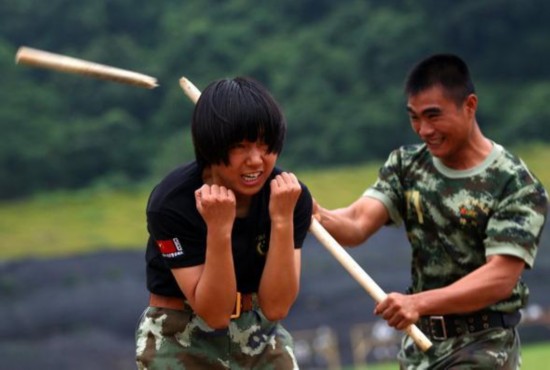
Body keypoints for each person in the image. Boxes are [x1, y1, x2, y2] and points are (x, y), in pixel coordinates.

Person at [314, 54, 548, 369]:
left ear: (470, 105)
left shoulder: (515, 184)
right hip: (420, 345)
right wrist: (313, 212)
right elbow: (356, 222)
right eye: (414, 117)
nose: (424, 130)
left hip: (484, 347)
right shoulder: (407, 166)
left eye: (433, 115)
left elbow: (500, 277)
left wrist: (417, 303)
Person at [135, 76, 312, 369]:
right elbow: (214, 313)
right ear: (211, 147)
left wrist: (281, 220)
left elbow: (277, 307)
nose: (256, 160)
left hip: (260, 333)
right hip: (180, 334)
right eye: (241, 147)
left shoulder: (289, 197)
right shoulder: (172, 203)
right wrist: (218, 228)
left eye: (265, 145)